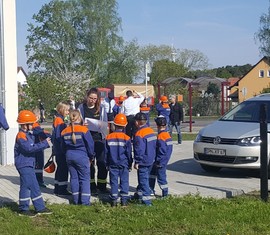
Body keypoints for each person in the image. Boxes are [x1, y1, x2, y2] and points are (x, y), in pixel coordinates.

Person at [14, 110, 52, 217]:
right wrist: (45, 143)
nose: (32, 125)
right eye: (30, 123)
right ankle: (38, 208)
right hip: (24, 165)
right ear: (24, 125)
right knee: (33, 185)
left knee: (26, 186)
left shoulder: (26, 134)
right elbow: (29, 148)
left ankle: (25, 208)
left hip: (27, 164)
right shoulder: (21, 136)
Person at [61, 110, 95, 205]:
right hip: (82, 156)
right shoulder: (84, 130)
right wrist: (91, 157)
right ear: (80, 118)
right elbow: (90, 145)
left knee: (74, 178)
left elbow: (62, 146)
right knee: (84, 179)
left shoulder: (64, 131)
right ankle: (85, 202)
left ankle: (75, 200)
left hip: (69, 156)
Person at [78, 88, 108, 194]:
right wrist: (82, 125)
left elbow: (105, 123)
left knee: (102, 162)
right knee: (89, 163)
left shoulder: (102, 108)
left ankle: (102, 186)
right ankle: (91, 186)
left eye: (95, 99)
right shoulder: (81, 108)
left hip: (99, 139)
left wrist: (102, 126)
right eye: (91, 98)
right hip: (87, 139)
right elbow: (76, 121)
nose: (93, 101)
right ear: (87, 97)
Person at [105, 113, 133, 207]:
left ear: (114, 124)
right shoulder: (127, 138)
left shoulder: (108, 137)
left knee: (113, 181)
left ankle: (113, 200)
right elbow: (129, 153)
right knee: (124, 181)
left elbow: (106, 153)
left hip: (112, 163)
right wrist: (130, 163)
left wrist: (107, 163)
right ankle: (124, 201)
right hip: (124, 163)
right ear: (125, 125)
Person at [133, 112, 156, 206]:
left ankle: (147, 202)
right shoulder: (150, 131)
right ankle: (138, 195)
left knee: (143, 180)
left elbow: (139, 149)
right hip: (151, 158)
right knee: (144, 179)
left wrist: (137, 161)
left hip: (143, 160)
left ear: (137, 122)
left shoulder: (139, 134)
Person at [149, 115, 173, 197]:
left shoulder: (160, 136)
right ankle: (151, 189)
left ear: (157, 126)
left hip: (160, 161)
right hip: (164, 160)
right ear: (165, 125)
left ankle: (165, 193)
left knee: (161, 178)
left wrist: (158, 160)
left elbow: (162, 150)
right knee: (153, 174)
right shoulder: (167, 135)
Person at [52, 102, 71, 195]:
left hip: (57, 148)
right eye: (67, 110)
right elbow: (60, 136)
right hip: (60, 149)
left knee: (60, 168)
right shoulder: (59, 121)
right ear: (61, 110)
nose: (68, 112)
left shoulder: (58, 119)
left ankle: (57, 188)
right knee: (63, 168)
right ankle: (62, 189)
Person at [32, 108, 52, 188]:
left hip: (35, 146)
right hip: (38, 147)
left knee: (36, 164)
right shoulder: (35, 125)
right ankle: (39, 181)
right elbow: (41, 133)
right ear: (37, 116)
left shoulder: (31, 125)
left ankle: (36, 180)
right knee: (39, 164)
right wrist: (50, 135)